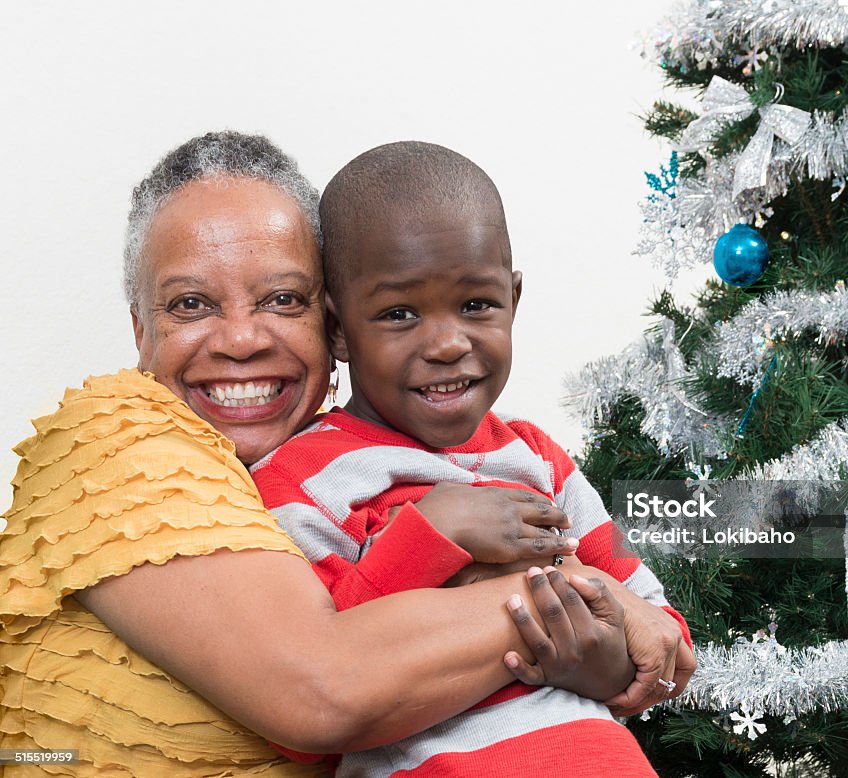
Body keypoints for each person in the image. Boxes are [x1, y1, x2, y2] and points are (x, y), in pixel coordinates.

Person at [0, 131, 689, 776]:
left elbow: (659, 640)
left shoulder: (511, 449)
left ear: (327, 326)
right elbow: (324, 687)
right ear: (139, 330)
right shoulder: (116, 440)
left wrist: (606, 649)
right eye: (190, 303)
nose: (241, 340)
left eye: (280, 298)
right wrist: (588, 600)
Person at [251, 141, 695, 777]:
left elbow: (662, 638)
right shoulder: (304, 478)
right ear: (339, 327)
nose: (447, 343)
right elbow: (327, 675)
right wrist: (434, 534)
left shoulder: (536, 457)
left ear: (514, 298)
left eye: (476, 304)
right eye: (399, 313)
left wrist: (588, 658)